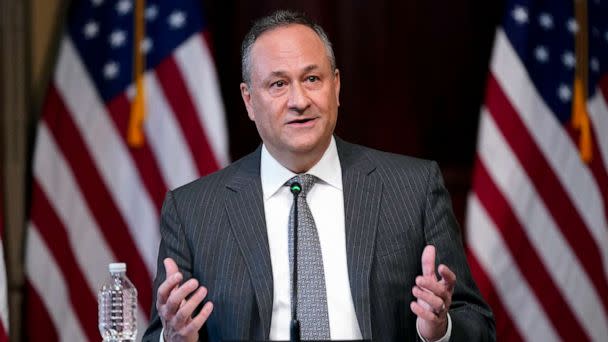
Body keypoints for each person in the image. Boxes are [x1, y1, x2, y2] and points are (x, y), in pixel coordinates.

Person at [143, 10, 495, 342]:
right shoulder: (193, 211)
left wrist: (439, 330)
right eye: (278, 84)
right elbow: (162, 330)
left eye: (312, 79)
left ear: (336, 87)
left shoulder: (413, 188)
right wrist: (174, 338)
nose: (299, 100)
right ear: (249, 100)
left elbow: (476, 323)